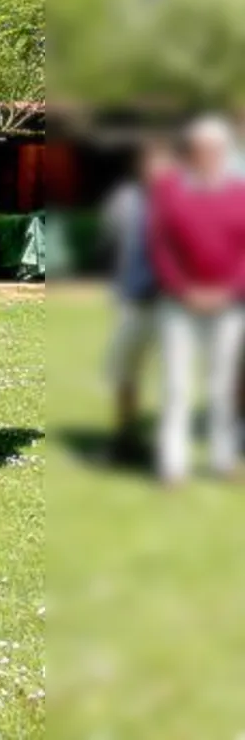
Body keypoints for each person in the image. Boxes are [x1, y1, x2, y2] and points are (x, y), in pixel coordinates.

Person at [146, 116, 245, 484]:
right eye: (200, 149)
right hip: (179, 304)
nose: (208, 155)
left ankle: (222, 459)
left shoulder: (240, 193)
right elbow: (159, 245)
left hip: (229, 304)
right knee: (177, 385)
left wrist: (228, 290)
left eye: (216, 149)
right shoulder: (170, 190)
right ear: (190, 152)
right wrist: (184, 288)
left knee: (222, 385)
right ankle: (173, 464)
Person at [100, 140, 172, 457]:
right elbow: (111, 243)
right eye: (151, 162)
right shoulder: (124, 201)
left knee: (172, 375)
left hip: (172, 304)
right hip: (133, 301)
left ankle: (168, 442)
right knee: (127, 373)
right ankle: (126, 437)